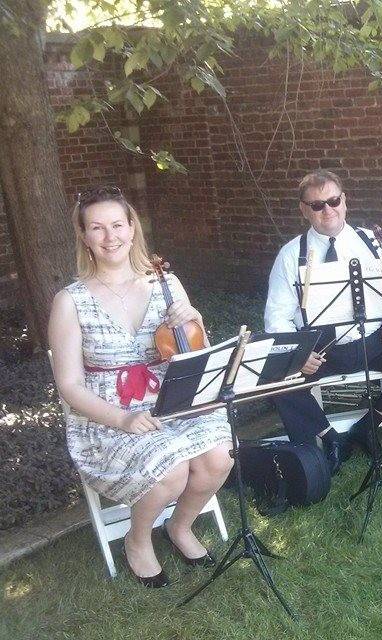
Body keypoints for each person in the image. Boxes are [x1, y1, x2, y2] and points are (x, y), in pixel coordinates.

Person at [49, 186, 234, 588]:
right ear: (84, 236)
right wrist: (124, 417)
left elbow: (192, 348)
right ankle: (138, 539)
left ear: (132, 228)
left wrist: (195, 317)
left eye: (117, 225)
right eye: (97, 228)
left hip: (173, 400)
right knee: (170, 470)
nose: (110, 236)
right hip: (108, 417)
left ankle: (180, 527)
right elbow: (68, 384)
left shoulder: (164, 283)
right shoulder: (70, 301)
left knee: (220, 456)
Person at [264, 169, 382, 473]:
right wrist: (300, 355)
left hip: (376, 342)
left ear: (344, 201)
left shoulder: (371, 241)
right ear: (304, 209)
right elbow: (276, 317)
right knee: (276, 379)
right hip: (321, 351)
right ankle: (329, 438)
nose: (327, 210)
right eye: (317, 205)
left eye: (333, 200)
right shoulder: (291, 255)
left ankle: (367, 427)